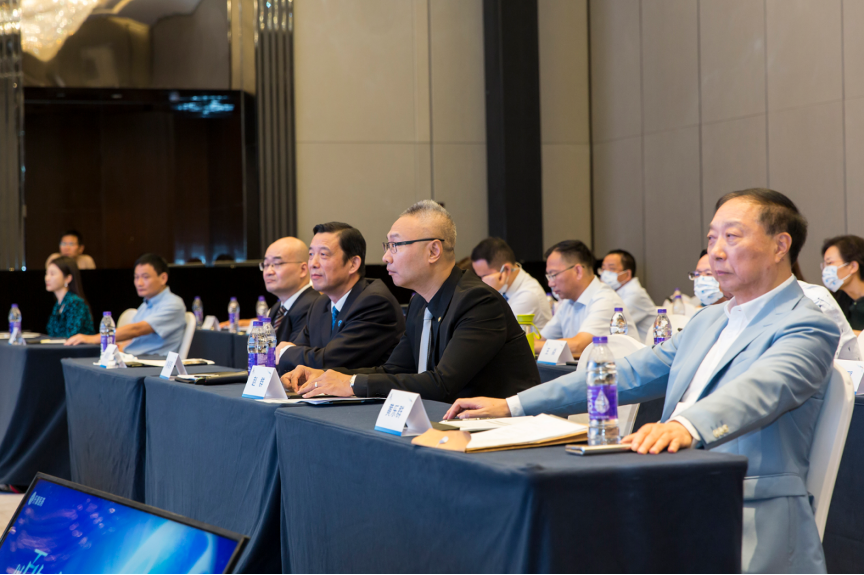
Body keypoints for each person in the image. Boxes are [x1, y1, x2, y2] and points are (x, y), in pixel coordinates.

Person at [445, 189, 839, 573]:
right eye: (711, 238)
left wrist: (685, 426)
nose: (716, 252)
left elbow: (762, 389)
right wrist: (514, 405)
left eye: (732, 237)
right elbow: (626, 374)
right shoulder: (708, 320)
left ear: (780, 245)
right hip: (669, 490)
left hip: (745, 510)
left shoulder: (807, 324)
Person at [281, 200, 540, 402]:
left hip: (504, 431)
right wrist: (328, 376)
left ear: (433, 251)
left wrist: (350, 384)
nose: (386, 257)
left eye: (395, 245)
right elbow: (394, 370)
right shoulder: (419, 304)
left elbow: (442, 384)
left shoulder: (478, 301)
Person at [276, 223, 405, 373]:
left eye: (323, 255)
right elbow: (296, 358)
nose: (313, 264)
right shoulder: (320, 303)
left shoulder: (375, 302)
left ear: (353, 264)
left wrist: (285, 352)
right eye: (311, 254)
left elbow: (332, 362)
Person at [67, 253, 187, 356]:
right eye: (136, 277)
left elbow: (137, 330)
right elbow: (133, 338)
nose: (139, 283)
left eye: (145, 277)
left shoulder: (173, 304)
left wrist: (93, 338)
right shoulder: (146, 304)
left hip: (154, 364)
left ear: (163, 278)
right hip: (135, 360)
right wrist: (121, 347)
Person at [537, 240, 639, 357]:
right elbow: (541, 339)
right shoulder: (568, 302)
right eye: (548, 276)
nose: (550, 283)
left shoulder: (605, 300)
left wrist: (528, 346)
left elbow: (578, 346)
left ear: (578, 271)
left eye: (553, 275)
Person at [220, 237, 320, 342]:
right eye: (266, 265)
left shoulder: (313, 307)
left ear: (303, 269)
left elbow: (293, 350)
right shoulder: (277, 309)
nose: (268, 272)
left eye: (277, 264)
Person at [470, 237, 552, 330]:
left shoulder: (528, 295)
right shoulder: (502, 287)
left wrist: (489, 294)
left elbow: (491, 331)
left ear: (506, 270)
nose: (481, 282)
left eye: (484, 276)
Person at [600, 249, 655, 341]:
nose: (605, 274)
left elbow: (609, 326)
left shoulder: (634, 294)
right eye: (603, 269)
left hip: (645, 347)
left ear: (627, 274)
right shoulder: (614, 292)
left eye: (611, 269)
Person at [821, 235, 864, 332]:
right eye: (824, 265)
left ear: (853, 266)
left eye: (829, 263)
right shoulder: (836, 302)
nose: (825, 270)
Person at [45, 257, 95, 338]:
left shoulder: (76, 303)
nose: (47, 278)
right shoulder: (58, 304)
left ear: (68, 278)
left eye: (52, 274)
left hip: (79, 346)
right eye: (46, 273)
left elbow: (72, 335)